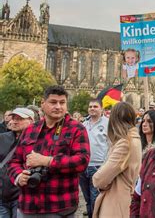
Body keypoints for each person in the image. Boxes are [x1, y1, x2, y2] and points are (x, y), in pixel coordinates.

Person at [7, 85, 90, 217]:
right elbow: (13, 161)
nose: (58, 106)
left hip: (60, 206)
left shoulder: (76, 129)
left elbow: (82, 161)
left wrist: (48, 161)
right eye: (53, 102)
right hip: (28, 205)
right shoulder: (30, 129)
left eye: (62, 102)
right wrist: (18, 176)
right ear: (43, 103)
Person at [91, 102, 141, 217]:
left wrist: (104, 182)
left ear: (114, 120)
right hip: (122, 195)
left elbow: (99, 179)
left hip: (116, 200)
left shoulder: (125, 143)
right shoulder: (134, 139)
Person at [0, 108, 35, 218]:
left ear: (31, 121)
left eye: (20, 119)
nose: (15, 121)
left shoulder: (37, 141)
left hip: (23, 195)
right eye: (14, 118)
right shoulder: (2, 138)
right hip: (2, 195)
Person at [80, 99, 109, 218]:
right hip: (83, 166)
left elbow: (111, 144)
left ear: (101, 109)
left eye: (95, 106)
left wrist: (105, 165)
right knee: (87, 199)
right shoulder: (84, 124)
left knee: (95, 199)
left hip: (98, 167)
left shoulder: (107, 123)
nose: (92, 108)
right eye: (90, 106)